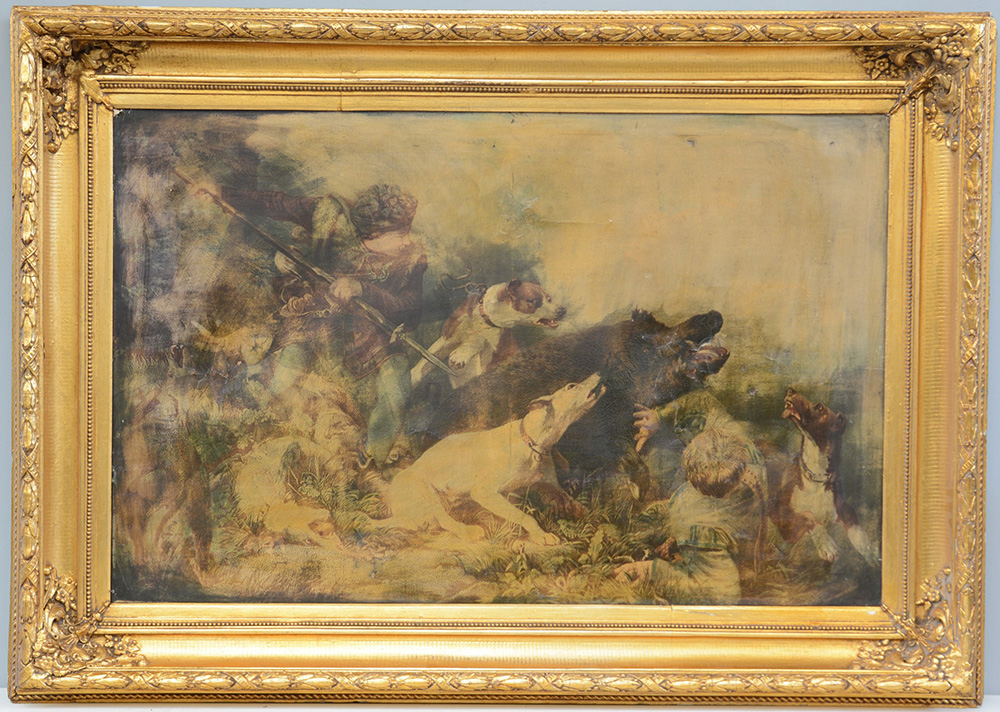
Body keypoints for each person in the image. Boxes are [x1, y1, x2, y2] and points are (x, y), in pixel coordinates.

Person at [218, 182, 427, 467]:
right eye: (400, 234)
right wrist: (222, 192)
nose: (407, 241)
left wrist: (364, 290)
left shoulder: (412, 258)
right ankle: (258, 432)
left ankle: (371, 460)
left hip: (373, 326)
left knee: (397, 387)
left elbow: (411, 308)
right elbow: (276, 202)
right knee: (285, 376)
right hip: (317, 311)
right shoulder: (330, 215)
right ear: (374, 234)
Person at [614, 428, 765, 605]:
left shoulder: (697, 526)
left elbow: (722, 596)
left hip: (725, 554)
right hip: (738, 535)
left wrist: (653, 571)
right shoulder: (748, 456)